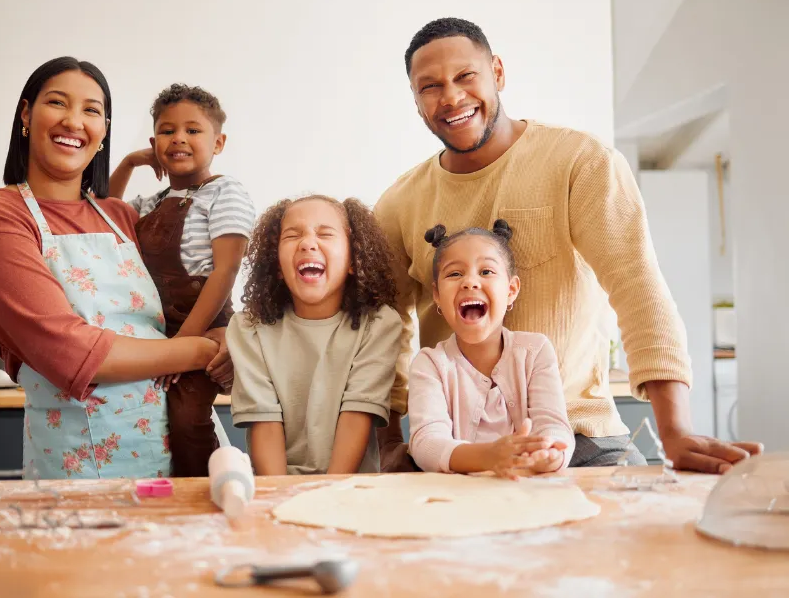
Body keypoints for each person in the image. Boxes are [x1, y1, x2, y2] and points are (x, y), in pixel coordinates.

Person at [375, 17, 763, 473]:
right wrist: (387, 447)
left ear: (497, 72)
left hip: (580, 438)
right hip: (457, 451)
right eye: (430, 86)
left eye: (466, 76)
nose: (452, 97)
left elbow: (637, 285)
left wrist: (675, 431)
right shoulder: (400, 203)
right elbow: (384, 331)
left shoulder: (580, 162)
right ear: (417, 102)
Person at [0, 57, 230, 479]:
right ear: (26, 114)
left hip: (185, 449)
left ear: (104, 130)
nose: (73, 121)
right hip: (87, 467)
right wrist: (202, 351)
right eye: (57, 103)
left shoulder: (120, 216)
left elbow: (186, 287)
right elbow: (71, 353)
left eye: (91, 110)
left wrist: (226, 330)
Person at [109, 84, 255, 477]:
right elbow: (100, 212)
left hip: (204, 326)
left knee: (189, 418)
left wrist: (183, 343)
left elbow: (225, 271)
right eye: (167, 131)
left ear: (218, 142)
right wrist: (128, 162)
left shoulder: (225, 192)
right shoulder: (150, 203)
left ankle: (202, 495)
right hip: (157, 329)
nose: (179, 139)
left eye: (193, 130)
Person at [227, 196, 401, 475]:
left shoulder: (379, 324)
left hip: (347, 489)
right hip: (276, 488)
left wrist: (326, 496)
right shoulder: (248, 328)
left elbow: (357, 417)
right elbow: (265, 425)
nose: (307, 243)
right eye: (292, 235)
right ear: (276, 265)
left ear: (353, 260)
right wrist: (280, 497)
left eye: (325, 234)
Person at [408, 221, 573, 477]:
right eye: (454, 274)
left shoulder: (535, 351)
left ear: (511, 290)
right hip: (457, 499)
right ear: (437, 295)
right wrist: (489, 457)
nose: (470, 282)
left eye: (486, 272)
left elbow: (554, 426)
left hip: (526, 491)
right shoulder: (429, 365)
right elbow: (426, 443)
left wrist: (548, 455)